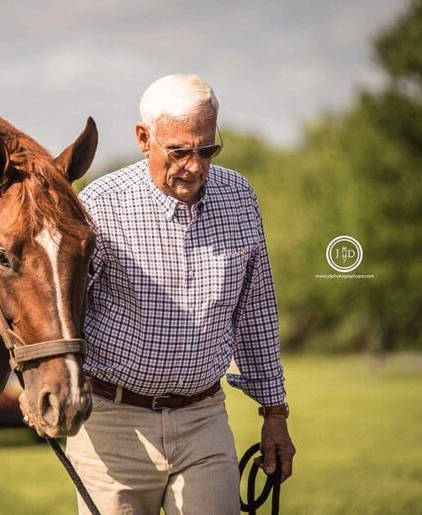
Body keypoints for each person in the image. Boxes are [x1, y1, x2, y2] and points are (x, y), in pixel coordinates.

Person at [65, 73, 296, 514]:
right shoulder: (98, 205)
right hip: (113, 424)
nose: (195, 165)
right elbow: (62, 310)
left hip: (203, 418)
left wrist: (275, 414)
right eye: (179, 151)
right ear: (142, 138)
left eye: (207, 149)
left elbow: (256, 312)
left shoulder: (240, 197)